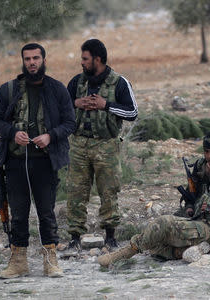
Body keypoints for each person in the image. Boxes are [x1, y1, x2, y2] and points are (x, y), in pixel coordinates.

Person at [0, 43, 76, 278]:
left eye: (36, 58)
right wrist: (12, 133)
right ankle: (18, 262)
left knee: (46, 212)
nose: (32, 63)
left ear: (44, 60)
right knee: (18, 212)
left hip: (46, 162)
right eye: (27, 59)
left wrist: (50, 136)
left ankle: (51, 261)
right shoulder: (8, 89)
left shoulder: (57, 89)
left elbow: (70, 123)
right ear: (23, 61)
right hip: (16, 162)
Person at [97, 144, 210, 267]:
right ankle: (183, 252)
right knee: (156, 246)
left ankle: (123, 254)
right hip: (201, 225)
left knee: (163, 224)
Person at [66, 39, 138, 250]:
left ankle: (110, 236)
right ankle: (74, 236)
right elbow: (60, 108)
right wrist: (75, 103)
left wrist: (105, 105)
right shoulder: (77, 83)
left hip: (106, 145)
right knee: (76, 191)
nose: (82, 62)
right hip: (78, 145)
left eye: (85, 58)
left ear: (97, 59)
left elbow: (132, 112)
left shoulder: (120, 83)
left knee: (108, 191)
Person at [175, 131, 210, 217]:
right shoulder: (200, 165)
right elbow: (191, 190)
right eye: (206, 152)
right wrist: (189, 207)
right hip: (198, 208)